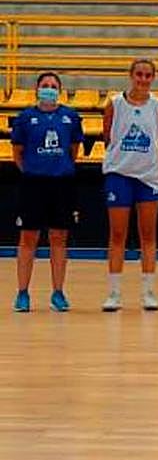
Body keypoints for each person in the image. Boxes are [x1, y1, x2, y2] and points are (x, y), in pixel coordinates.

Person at [101, 59, 158, 312]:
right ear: (131, 75)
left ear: (153, 78)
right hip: (119, 174)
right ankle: (114, 293)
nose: (143, 79)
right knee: (117, 234)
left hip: (148, 177)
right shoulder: (115, 104)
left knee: (148, 235)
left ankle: (148, 293)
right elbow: (108, 138)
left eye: (147, 75)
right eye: (139, 74)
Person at [11, 71, 83, 313]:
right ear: (37, 89)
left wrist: (59, 167)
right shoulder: (25, 118)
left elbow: (73, 150)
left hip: (62, 183)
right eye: (45, 85)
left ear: (59, 91)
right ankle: (22, 293)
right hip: (33, 184)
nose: (49, 89)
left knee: (59, 237)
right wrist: (33, 171)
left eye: (53, 86)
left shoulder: (70, 117)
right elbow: (18, 153)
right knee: (28, 237)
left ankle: (58, 293)